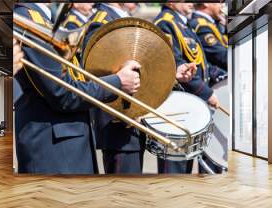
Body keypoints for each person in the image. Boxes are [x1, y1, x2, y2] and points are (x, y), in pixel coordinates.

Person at [13, 3, 141, 174]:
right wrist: (118, 82)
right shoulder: (29, 20)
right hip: (56, 152)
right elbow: (63, 93)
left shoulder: (41, 19)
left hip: (65, 144)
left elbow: (72, 80)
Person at [81, 3, 194, 174]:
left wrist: (173, 74)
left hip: (135, 121)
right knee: (123, 194)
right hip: (118, 125)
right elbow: (94, 73)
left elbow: (142, 66)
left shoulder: (122, 19)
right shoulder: (101, 21)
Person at [154, 3, 224, 174]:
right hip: (177, 111)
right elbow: (174, 65)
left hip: (190, 110)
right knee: (174, 174)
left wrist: (225, 76)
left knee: (186, 170)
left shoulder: (182, 24)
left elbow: (203, 65)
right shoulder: (165, 23)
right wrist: (207, 93)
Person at [189, 3, 227, 71]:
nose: (222, 5)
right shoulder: (201, 25)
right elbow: (220, 56)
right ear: (206, 3)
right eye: (220, 2)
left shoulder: (212, 22)